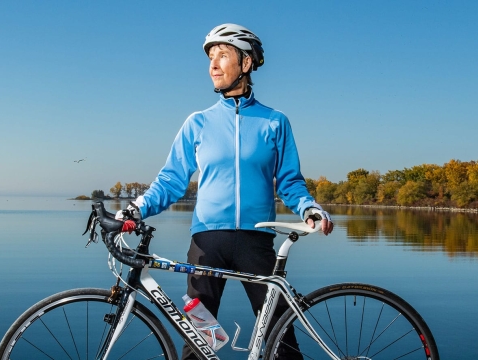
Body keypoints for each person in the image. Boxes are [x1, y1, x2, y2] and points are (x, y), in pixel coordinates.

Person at [117, 23, 334, 359]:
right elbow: (172, 179)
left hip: (256, 240)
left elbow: (290, 181)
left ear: (245, 64)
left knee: (282, 341)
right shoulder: (198, 123)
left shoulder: (275, 122)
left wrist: (310, 209)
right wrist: (136, 209)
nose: (213, 65)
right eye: (210, 58)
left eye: (222, 56)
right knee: (198, 344)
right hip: (207, 242)